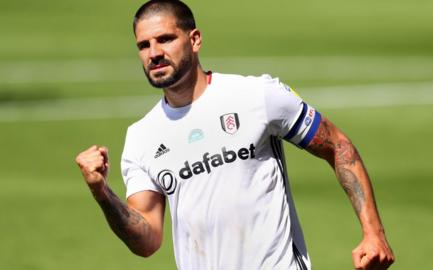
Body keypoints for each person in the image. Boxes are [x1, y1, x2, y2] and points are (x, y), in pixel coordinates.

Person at [75, 0, 395, 269]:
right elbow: (147, 240)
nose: (153, 53)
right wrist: (102, 192)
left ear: (195, 39)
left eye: (165, 39)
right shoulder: (141, 137)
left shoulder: (257, 95)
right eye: (143, 45)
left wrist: (373, 232)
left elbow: (337, 145)